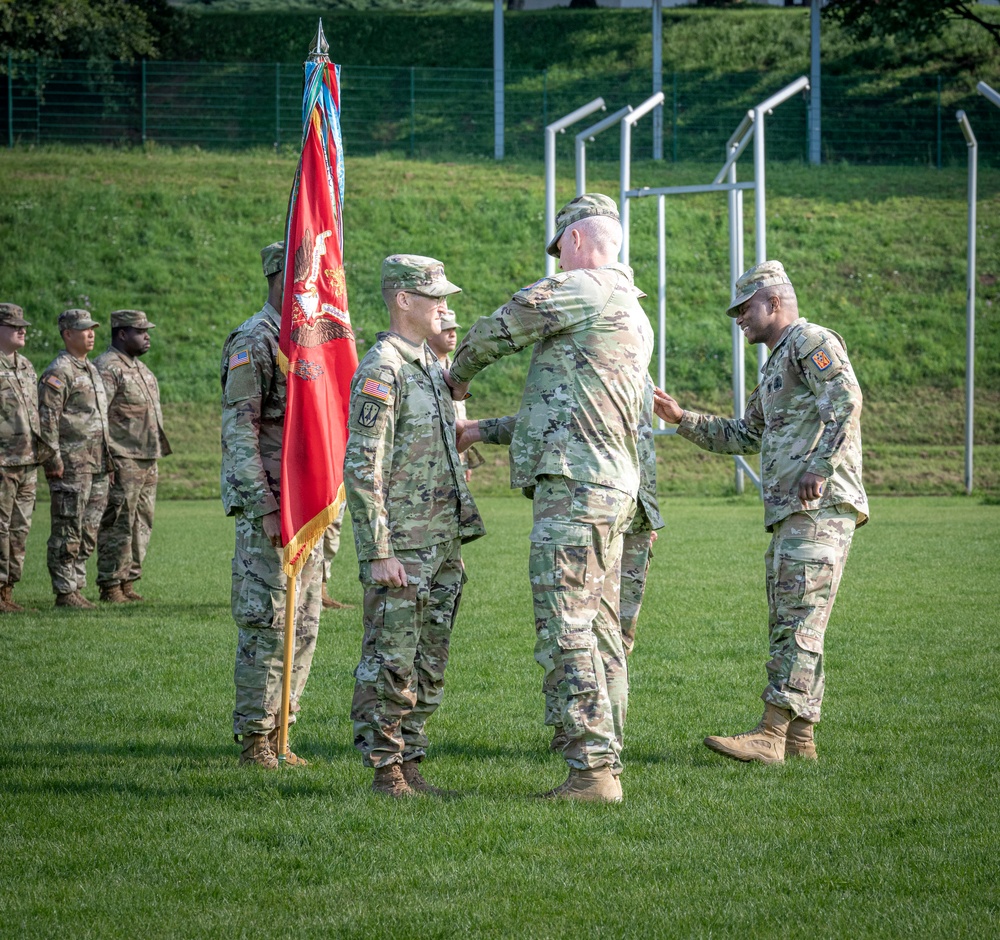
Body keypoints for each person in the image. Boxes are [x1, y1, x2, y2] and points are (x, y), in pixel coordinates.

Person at [446, 194, 653, 803]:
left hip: (578, 488)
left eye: (560, 247)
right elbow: (563, 407)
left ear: (580, 241)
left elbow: (507, 322)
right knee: (603, 627)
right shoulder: (631, 311)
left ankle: (591, 772)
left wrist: (456, 372)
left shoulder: (584, 288)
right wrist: (481, 429)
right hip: (611, 483)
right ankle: (606, 750)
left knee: (566, 624)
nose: (557, 259)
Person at [652, 259, 868, 764]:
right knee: (795, 619)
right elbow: (748, 434)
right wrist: (682, 419)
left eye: (745, 308)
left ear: (773, 301)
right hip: (791, 512)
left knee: (799, 622)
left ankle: (771, 733)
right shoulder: (776, 362)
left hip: (819, 505)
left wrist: (820, 465)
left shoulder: (811, 341)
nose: (739, 318)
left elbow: (846, 398)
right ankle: (800, 740)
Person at [458, 378, 665, 755]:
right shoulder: (612, 356)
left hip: (607, 514)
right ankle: (576, 731)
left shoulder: (602, 361)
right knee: (580, 627)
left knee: (589, 630)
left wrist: (477, 429)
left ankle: (595, 740)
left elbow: (550, 420)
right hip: (617, 512)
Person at [345, 254, 484, 798]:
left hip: (440, 541)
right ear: (405, 300)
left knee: (429, 657)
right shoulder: (385, 367)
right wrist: (379, 550)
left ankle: (411, 761)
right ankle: (385, 770)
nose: (447, 308)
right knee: (391, 656)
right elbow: (363, 466)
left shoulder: (426, 364)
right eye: (438, 298)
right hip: (403, 544)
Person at [220, 241, 323, 769]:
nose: (312, 284)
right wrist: (263, 505)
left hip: (310, 508)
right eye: (304, 274)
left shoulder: (312, 342)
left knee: (303, 624)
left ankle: (285, 731)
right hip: (272, 508)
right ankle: (255, 739)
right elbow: (240, 429)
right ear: (278, 274)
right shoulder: (255, 339)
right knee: (267, 621)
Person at [37, 309, 113, 609]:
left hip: (96, 464)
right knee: (68, 528)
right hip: (71, 465)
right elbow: (47, 420)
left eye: (93, 328)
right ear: (67, 334)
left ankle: (77, 586)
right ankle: (65, 590)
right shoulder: (59, 371)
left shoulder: (90, 369)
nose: (91, 333)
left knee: (89, 529)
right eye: (84, 329)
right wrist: (52, 459)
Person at [95, 310, 171, 604]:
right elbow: (98, 417)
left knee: (141, 522)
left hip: (147, 456)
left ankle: (128, 580)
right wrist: (106, 458)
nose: (147, 335)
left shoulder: (142, 369)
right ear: (122, 334)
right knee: (119, 521)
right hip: (122, 458)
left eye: (147, 330)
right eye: (140, 331)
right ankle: (111, 583)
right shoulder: (107, 368)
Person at [0, 303, 51, 613]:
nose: (22, 329)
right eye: (14, 324)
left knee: (19, 529)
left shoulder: (26, 366)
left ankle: (7, 591)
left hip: (27, 461)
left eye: (24, 325)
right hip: (2, 462)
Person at [426, 305, 483, 482]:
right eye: (446, 330)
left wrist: (464, 459)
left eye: (454, 330)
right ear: (431, 333)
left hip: (455, 453)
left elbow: (460, 415)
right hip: (429, 457)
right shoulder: (421, 370)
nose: (452, 334)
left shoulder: (457, 371)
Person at [319, 503, 353, 610]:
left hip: (339, 489)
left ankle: (322, 593)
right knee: (317, 531)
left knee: (332, 536)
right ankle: (314, 596)